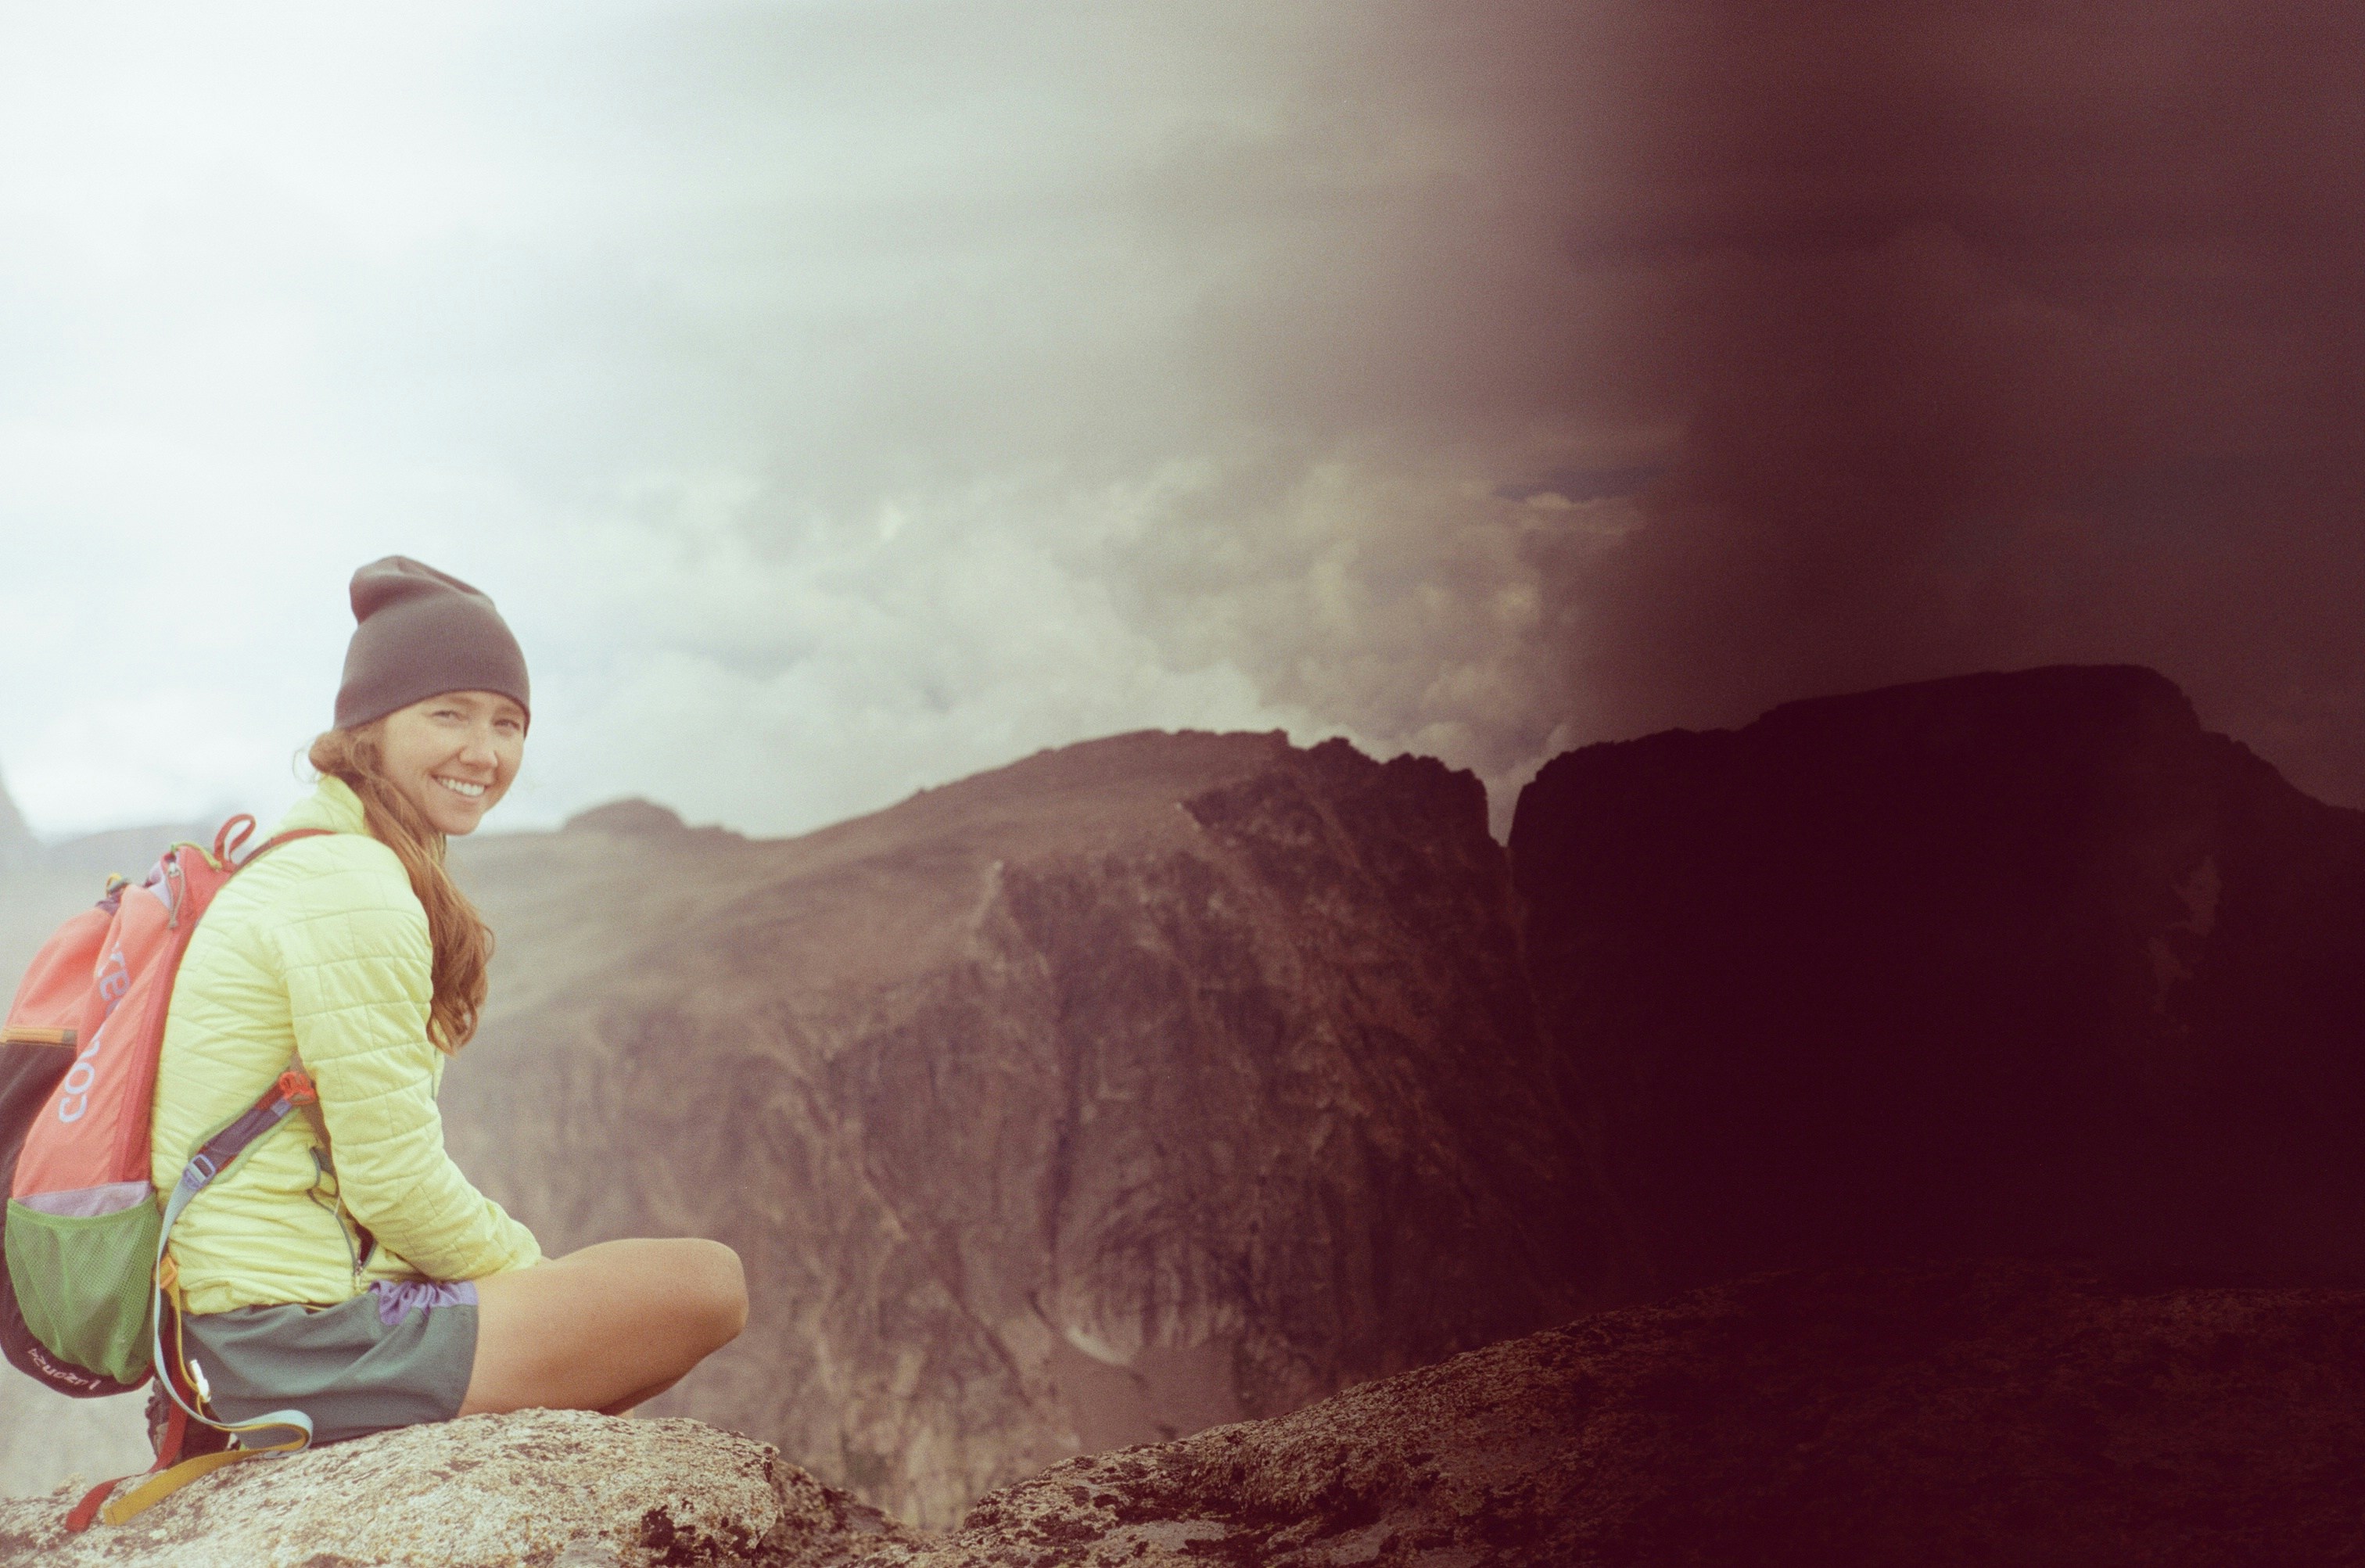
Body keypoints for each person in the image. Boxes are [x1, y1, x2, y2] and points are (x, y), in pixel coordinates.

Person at [148, 556, 745, 1448]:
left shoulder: (310, 847)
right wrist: (541, 1286)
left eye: (508, 722)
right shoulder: (352, 882)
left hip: (252, 1317)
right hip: (282, 1333)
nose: (485, 750)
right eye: (448, 714)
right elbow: (395, 1183)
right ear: (370, 728)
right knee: (707, 1285)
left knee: (642, 1299)